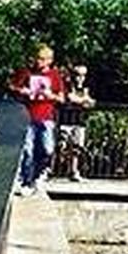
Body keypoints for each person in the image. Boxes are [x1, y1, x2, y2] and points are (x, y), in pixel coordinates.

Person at [10, 45, 64, 195]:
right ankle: (25, 181)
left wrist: (50, 95)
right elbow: (12, 86)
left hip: (46, 117)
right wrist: (23, 91)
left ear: (49, 61)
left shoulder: (55, 75)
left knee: (48, 149)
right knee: (27, 150)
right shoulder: (27, 72)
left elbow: (61, 98)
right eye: (37, 58)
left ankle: (39, 175)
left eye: (42, 59)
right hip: (28, 116)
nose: (38, 61)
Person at [58, 64, 95, 181]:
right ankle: (50, 170)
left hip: (80, 120)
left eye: (83, 75)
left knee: (77, 147)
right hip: (67, 120)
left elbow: (91, 102)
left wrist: (83, 100)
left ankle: (73, 171)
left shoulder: (87, 87)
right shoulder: (68, 85)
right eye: (78, 75)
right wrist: (83, 100)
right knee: (61, 146)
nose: (80, 78)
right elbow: (71, 98)